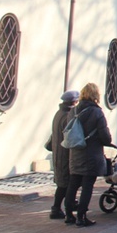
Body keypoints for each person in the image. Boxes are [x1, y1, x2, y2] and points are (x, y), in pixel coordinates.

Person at [63, 83, 112, 227]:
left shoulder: (73, 111)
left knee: (72, 185)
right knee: (87, 186)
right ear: (96, 95)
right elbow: (106, 137)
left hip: (75, 153)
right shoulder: (97, 113)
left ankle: (68, 215)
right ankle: (81, 216)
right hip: (91, 155)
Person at [45, 90, 79, 219]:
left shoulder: (59, 113)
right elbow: (70, 136)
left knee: (63, 183)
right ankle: (56, 209)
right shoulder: (68, 116)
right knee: (65, 184)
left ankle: (67, 204)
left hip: (58, 153)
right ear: (74, 102)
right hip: (65, 154)